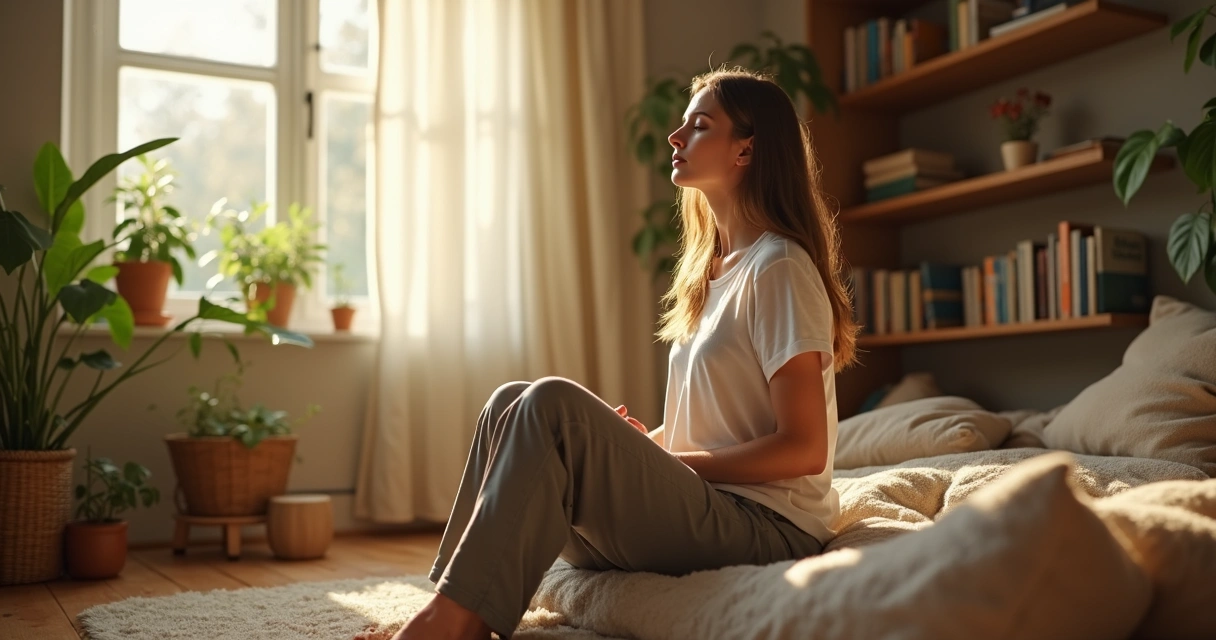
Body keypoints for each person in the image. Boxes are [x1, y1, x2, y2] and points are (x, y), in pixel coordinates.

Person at [393, 67, 859, 640]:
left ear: (746, 149)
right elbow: (713, 427)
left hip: (767, 530)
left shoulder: (779, 267)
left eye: (699, 125)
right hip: (709, 510)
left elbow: (805, 448)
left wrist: (669, 467)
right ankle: (452, 603)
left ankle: (448, 625)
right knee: (509, 404)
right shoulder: (713, 274)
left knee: (552, 405)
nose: (675, 136)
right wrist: (648, 447)